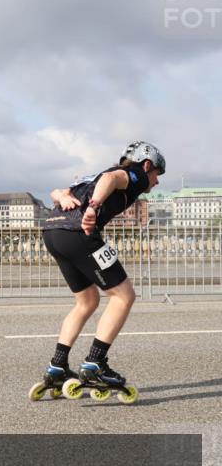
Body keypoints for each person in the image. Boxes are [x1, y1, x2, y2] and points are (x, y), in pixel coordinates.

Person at [35, 141, 165, 403]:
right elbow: (112, 177)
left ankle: (57, 367)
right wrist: (93, 208)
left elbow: (56, 191)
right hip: (79, 234)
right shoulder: (134, 175)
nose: (156, 182)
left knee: (87, 301)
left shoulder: (89, 177)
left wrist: (61, 197)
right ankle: (95, 363)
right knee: (123, 296)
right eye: (157, 175)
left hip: (52, 233)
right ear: (147, 164)